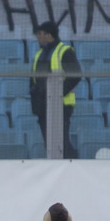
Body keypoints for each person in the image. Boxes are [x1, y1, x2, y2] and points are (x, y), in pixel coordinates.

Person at [30, 21, 82, 160]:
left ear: (49, 35)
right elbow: (34, 79)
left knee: (61, 141)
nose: (38, 37)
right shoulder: (39, 54)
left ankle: (72, 166)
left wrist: (57, 94)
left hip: (61, 104)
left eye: (40, 34)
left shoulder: (65, 51)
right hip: (42, 105)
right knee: (50, 142)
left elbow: (75, 75)